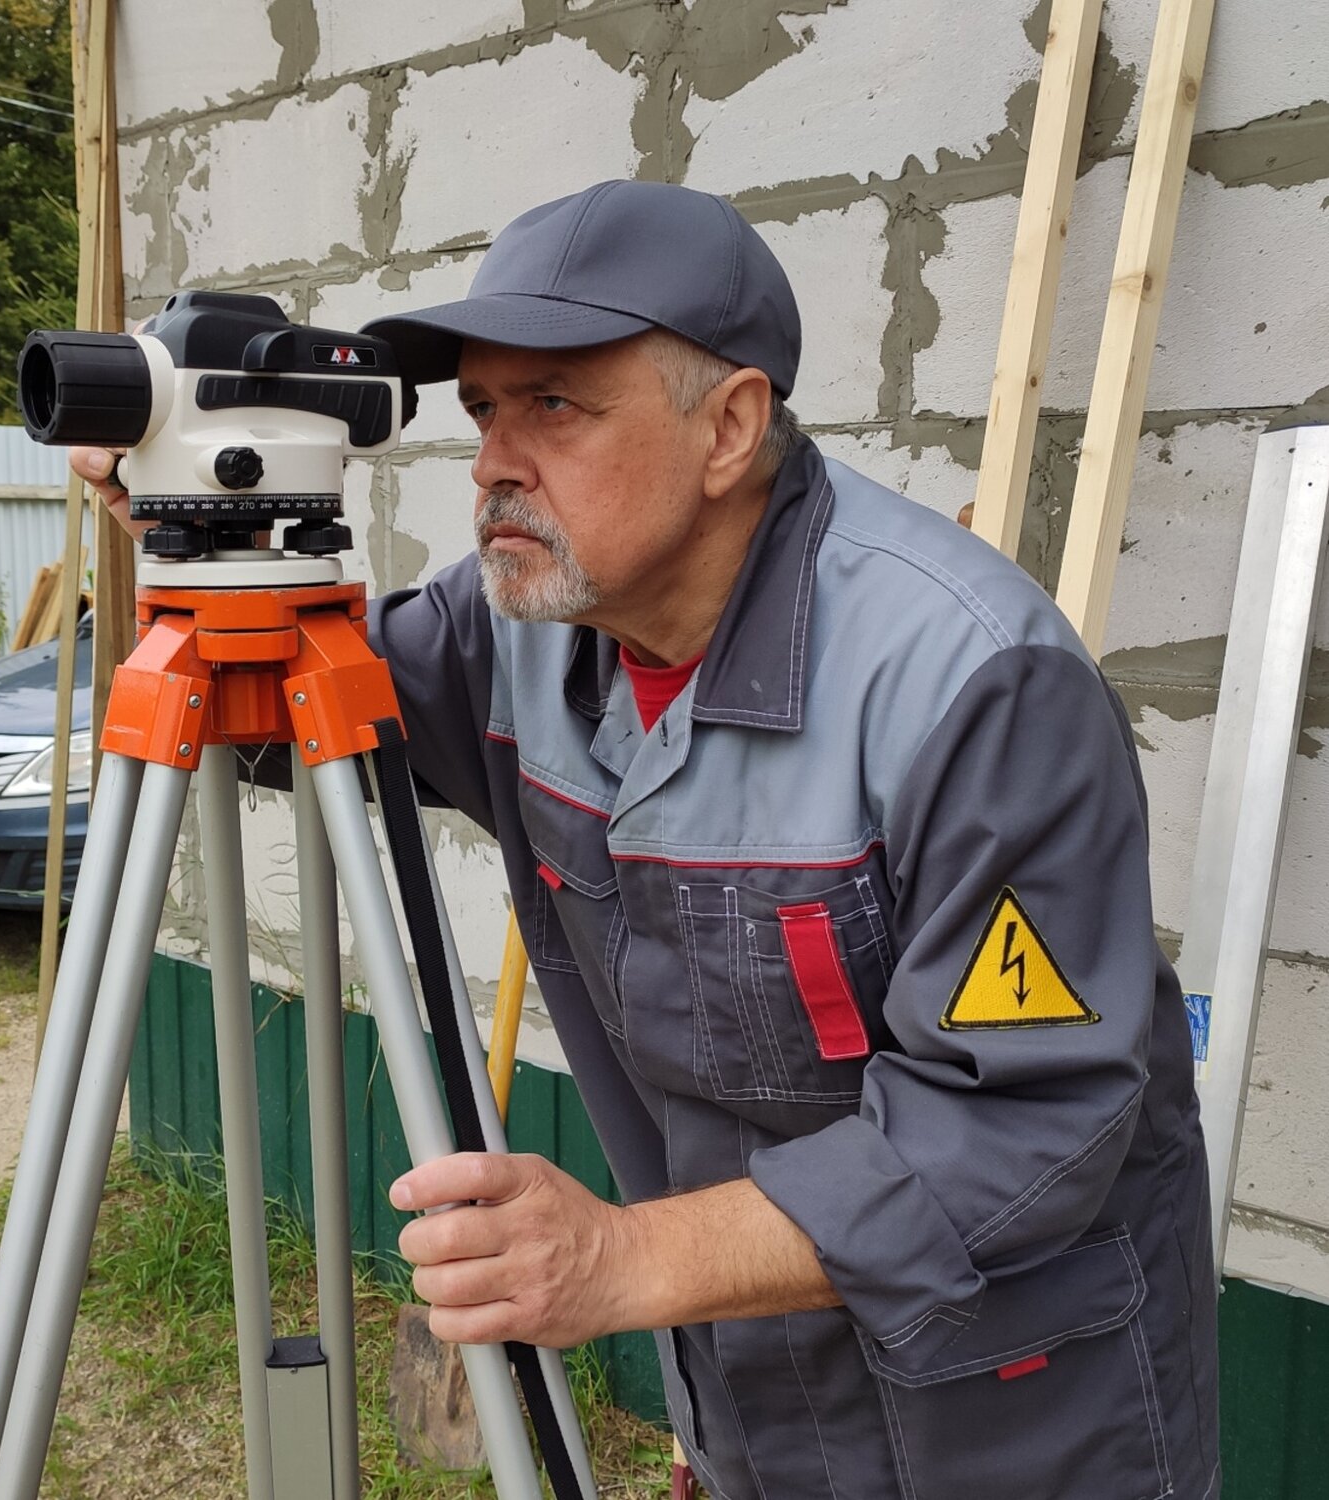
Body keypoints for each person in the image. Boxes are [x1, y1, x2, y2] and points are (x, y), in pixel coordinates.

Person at [74, 179, 1219, 1500]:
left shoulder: (972, 682)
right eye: (484, 412)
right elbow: (273, 708)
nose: (495, 464)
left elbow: (1022, 1124)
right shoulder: (517, 625)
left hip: (1011, 1427)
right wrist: (196, 516)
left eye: (555, 405)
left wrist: (622, 1261)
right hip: (748, 1406)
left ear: (729, 426)